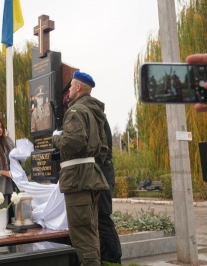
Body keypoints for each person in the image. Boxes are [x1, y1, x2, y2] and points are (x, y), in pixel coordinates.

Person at [52, 71, 110, 266]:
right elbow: (103, 149)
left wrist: (57, 137)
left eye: (70, 87)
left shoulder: (77, 111)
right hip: (89, 176)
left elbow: (74, 141)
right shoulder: (95, 112)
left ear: (78, 88)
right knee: (90, 233)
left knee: (82, 237)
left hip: (77, 179)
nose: (68, 90)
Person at [98, 119, 122, 264]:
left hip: (103, 170)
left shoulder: (98, 116)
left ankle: (113, 258)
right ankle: (108, 257)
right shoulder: (99, 116)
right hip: (104, 169)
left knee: (103, 217)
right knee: (101, 218)